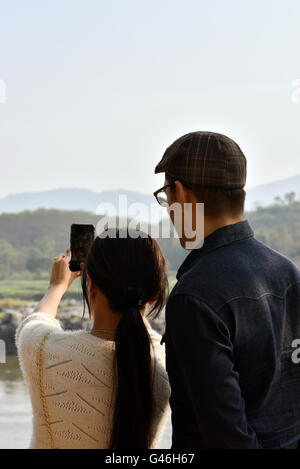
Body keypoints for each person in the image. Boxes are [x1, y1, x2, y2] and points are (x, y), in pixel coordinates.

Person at [153, 130, 300, 449]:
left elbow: (226, 436)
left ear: (182, 194)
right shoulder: (288, 272)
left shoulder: (195, 297)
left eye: (166, 198)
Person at [15, 228, 171, 449]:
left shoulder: (43, 349)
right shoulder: (166, 363)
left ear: (91, 285)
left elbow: (35, 322)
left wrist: (56, 286)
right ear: (154, 297)